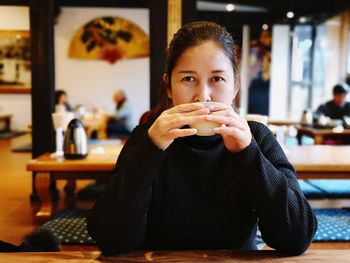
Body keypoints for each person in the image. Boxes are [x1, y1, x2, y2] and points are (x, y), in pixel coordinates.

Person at [87, 21, 317, 256]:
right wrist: (150, 149)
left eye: (217, 79)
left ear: (235, 86)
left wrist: (247, 152)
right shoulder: (146, 137)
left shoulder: (256, 136)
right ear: (169, 87)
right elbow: (111, 239)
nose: (203, 96)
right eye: (188, 79)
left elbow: (296, 237)